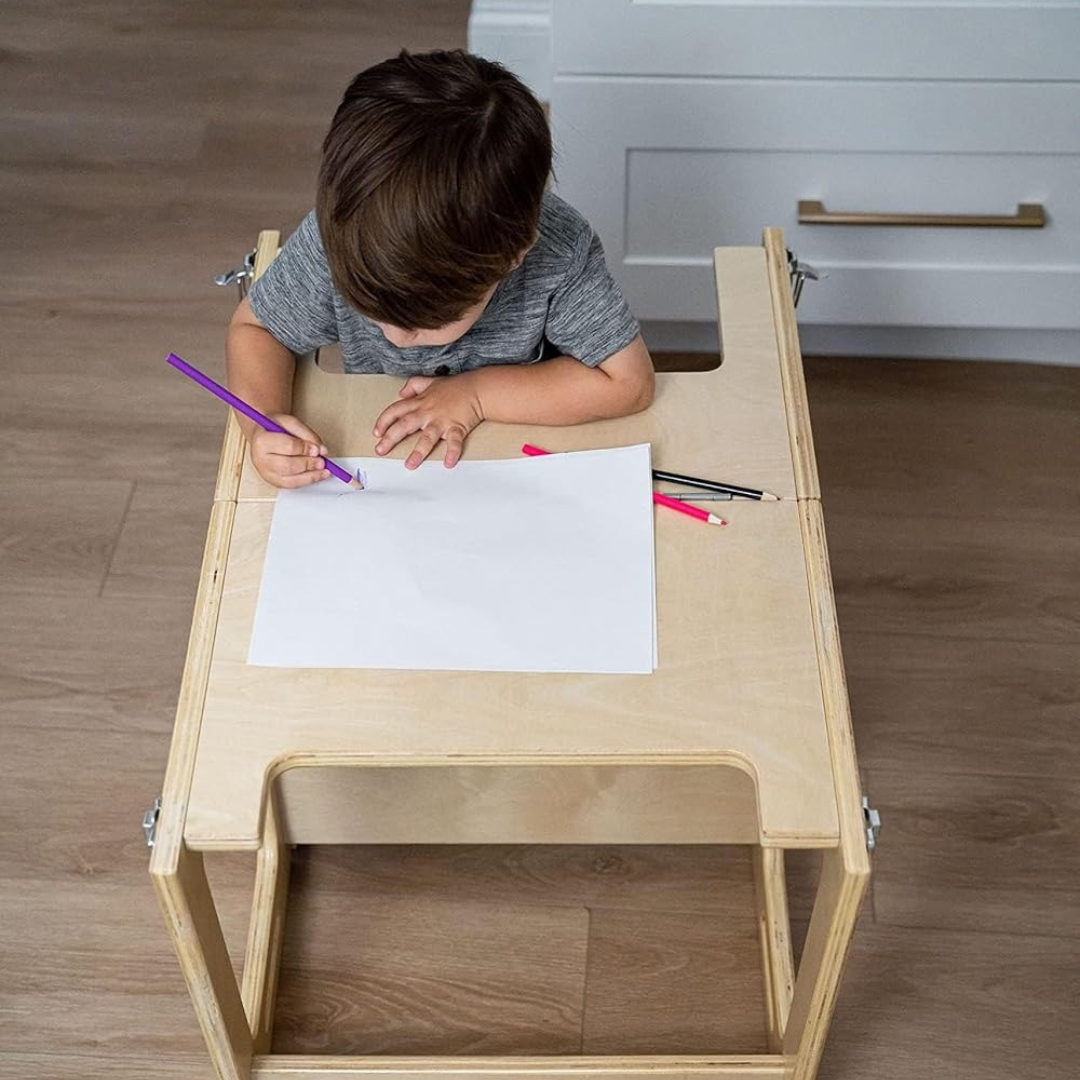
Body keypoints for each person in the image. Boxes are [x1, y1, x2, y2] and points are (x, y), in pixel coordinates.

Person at [226, 49, 654, 488]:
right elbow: (257, 329)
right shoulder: (341, 235)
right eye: (370, 310)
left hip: (525, 457)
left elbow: (630, 382)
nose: (394, 338)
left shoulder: (558, 253)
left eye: (422, 326)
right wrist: (263, 424)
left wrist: (477, 395)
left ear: (515, 256)